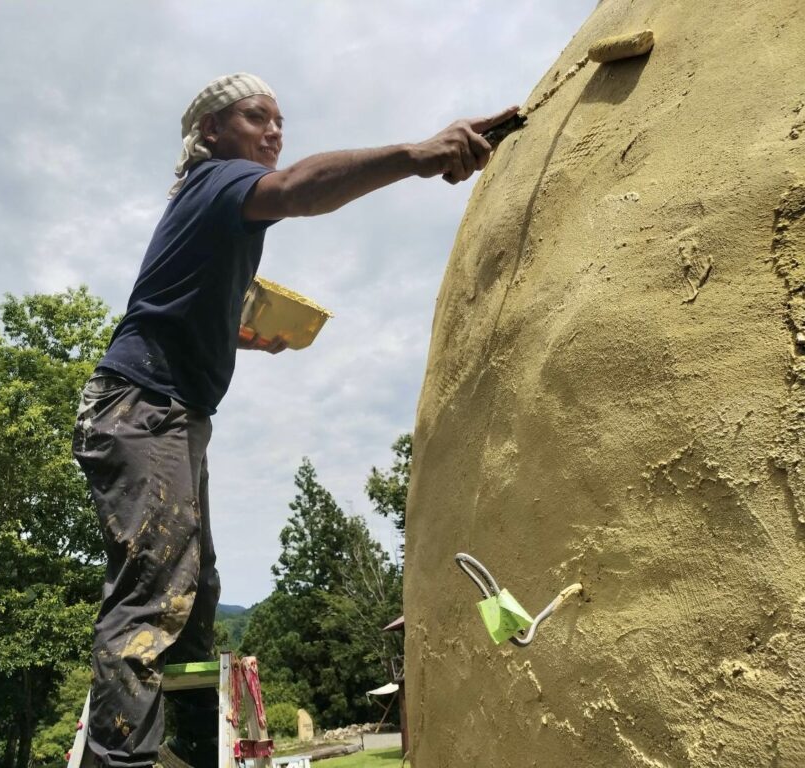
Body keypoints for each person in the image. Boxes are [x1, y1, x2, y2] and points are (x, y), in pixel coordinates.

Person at [72, 72, 518, 768]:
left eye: (280, 120)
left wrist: (250, 334)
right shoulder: (218, 181)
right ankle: (118, 762)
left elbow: (181, 303)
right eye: (257, 117)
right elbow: (300, 188)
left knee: (195, 596)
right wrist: (417, 154)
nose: (275, 132)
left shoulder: (212, 212)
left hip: (169, 416)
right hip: (144, 409)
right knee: (156, 590)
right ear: (212, 131)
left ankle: (182, 758)